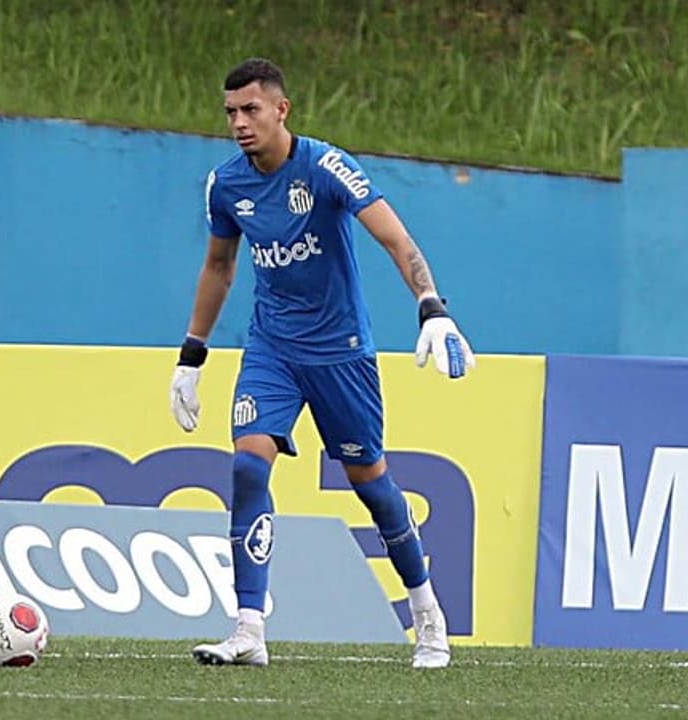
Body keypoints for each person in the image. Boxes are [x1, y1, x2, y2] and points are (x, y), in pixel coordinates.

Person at [169, 57, 474, 669]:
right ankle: (249, 628)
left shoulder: (328, 166)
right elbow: (219, 267)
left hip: (341, 354)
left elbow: (395, 238)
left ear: (282, 109)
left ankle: (427, 616)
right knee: (248, 467)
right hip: (272, 349)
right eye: (230, 112)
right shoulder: (226, 185)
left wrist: (431, 307)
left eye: (251, 109)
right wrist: (191, 355)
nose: (239, 123)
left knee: (374, 488)